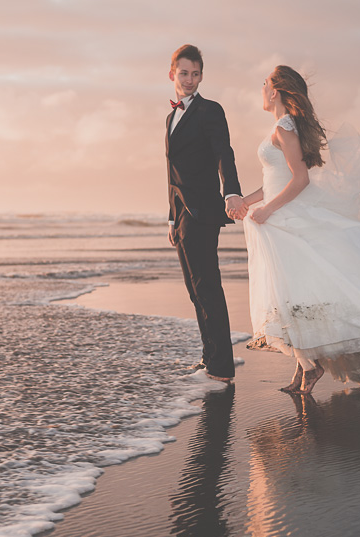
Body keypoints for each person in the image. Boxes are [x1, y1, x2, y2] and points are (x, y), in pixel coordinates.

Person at [226, 65, 360, 393]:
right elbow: (275, 182)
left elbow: (300, 179)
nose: (261, 89)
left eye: (264, 84)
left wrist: (267, 210)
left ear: (275, 91)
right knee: (292, 293)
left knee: (292, 294)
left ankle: (309, 367)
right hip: (280, 213)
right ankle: (305, 368)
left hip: (285, 217)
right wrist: (249, 201)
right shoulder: (282, 127)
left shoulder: (285, 128)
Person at [166, 44, 242, 383]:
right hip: (181, 214)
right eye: (184, 73)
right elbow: (172, 174)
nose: (190, 80)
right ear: (172, 74)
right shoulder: (171, 116)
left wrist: (232, 191)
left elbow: (224, 152)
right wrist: (171, 217)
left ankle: (222, 368)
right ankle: (209, 356)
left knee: (208, 287)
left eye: (196, 74)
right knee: (194, 290)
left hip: (204, 212)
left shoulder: (211, 110)